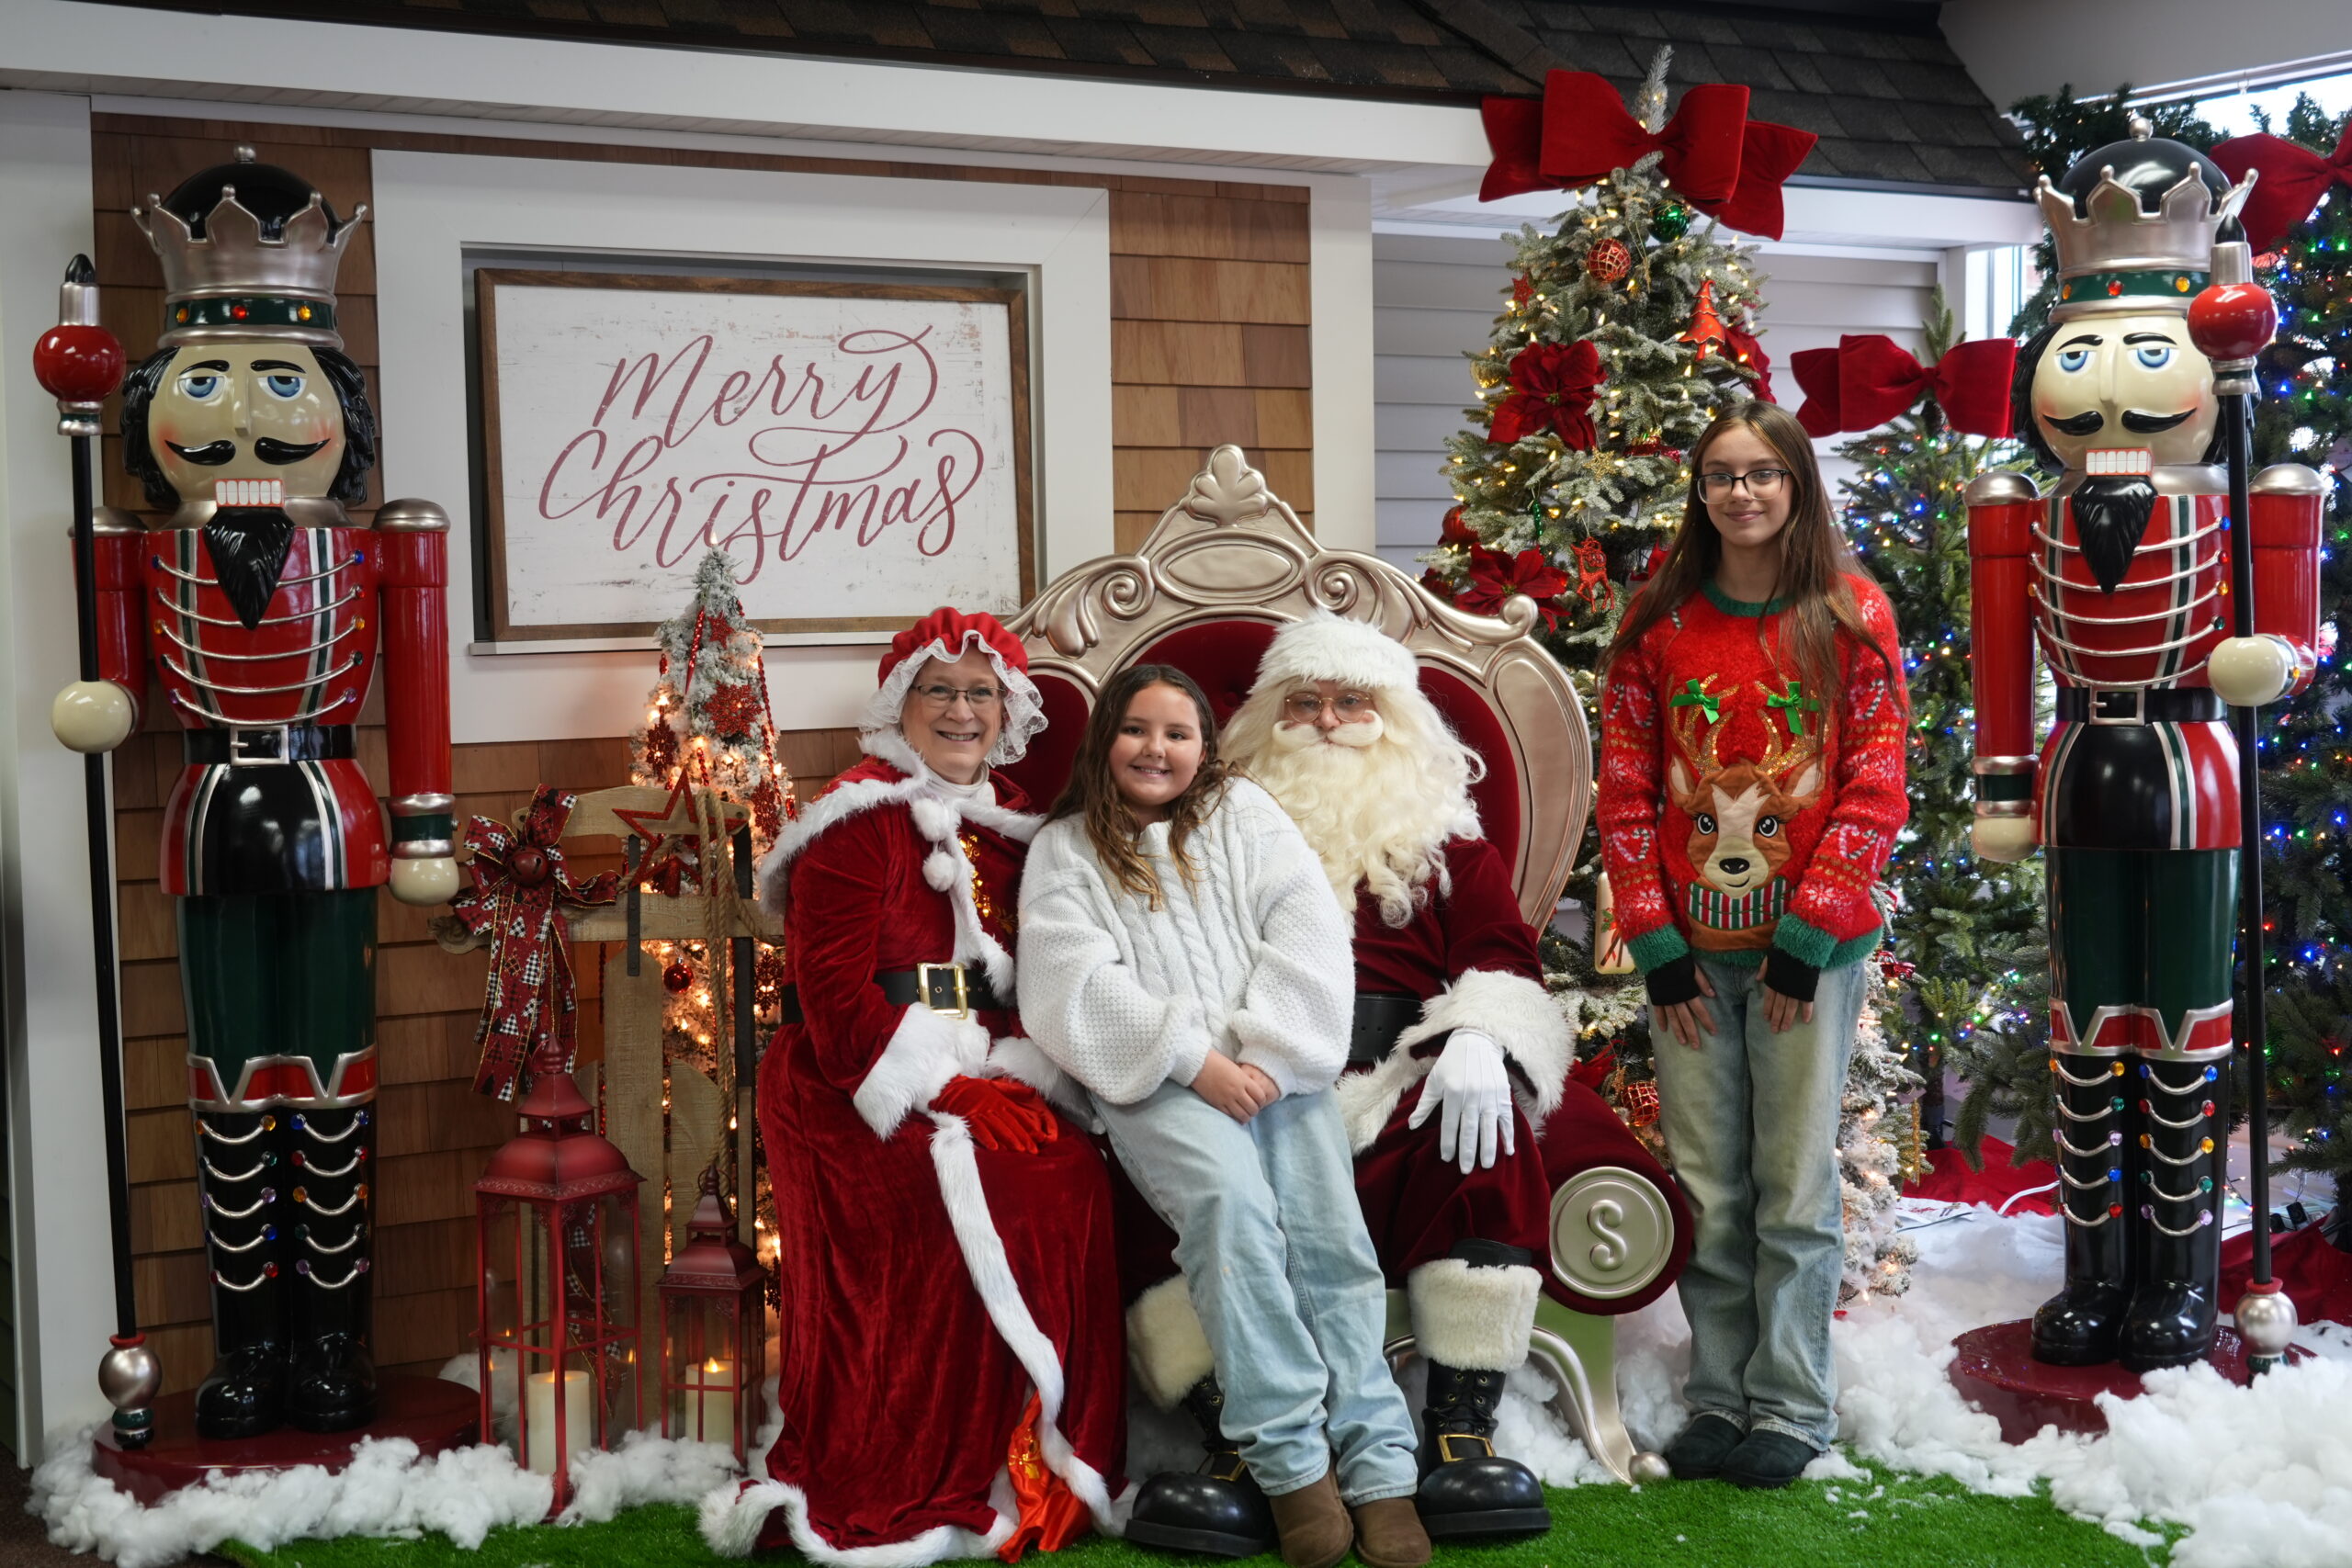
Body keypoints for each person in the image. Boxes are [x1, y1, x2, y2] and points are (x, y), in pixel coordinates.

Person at [1118, 613, 1690, 1543]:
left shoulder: (1450, 845)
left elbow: (1503, 961)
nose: (1327, 720)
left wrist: (1480, 1036)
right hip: (1250, 1078)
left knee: (1480, 1125)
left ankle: (1460, 1431)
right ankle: (1242, 1440)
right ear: (1264, 719)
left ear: (1397, 721)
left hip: (1396, 1080)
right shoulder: (1204, 839)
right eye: (1304, 702)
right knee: (1165, 1162)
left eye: (1353, 702)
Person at [53, 148, 454, 1438]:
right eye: (204, 380)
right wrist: (103, 698)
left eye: (282, 380)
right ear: (149, 406)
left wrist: (428, 820)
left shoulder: (388, 540)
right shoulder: (134, 544)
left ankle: (334, 1341)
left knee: (335, 1075)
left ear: (338, 404)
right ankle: (249, 1345)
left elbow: (420, 688)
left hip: (334, 813)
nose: (241, 413)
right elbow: (116, 682)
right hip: (211, 816)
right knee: (229, 1081)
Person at [706, 608, 1127, 1564]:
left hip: (984, 1062)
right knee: (958, 1196)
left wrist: (1009, 1071)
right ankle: (923, 1458)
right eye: (939, 690)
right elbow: (831, 999)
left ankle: (1031, 1455)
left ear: (1009, 711)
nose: (960, 711)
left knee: (1066, 1170)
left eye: (981, 693)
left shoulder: (1020, 830)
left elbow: (1035, 981)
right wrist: (945, 1088)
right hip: (848, 1080)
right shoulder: (855, 820)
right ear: (901, 703)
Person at [1017, 666, 1430, 1568]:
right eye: (1136, 729)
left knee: (1328, 1240)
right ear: (1105, 738)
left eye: (1177, 733)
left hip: (1277, 1069)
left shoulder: (1243, 814)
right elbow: (1068, 982)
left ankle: (1379, 1469)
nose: (1155, 749)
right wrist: (1193, 1061)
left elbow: (1308, 928)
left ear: (1203, 747)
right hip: (1158, 1080)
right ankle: (1294, 1469)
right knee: (1232, 1215)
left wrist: (1269, 1058)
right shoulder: (1065, 850)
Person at [1597, 400, 1909, 1488]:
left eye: (1762, 473)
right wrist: (1653, 940)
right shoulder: (1660, 621)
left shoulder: (1849, 615)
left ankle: (1789, 1404)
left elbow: (1875, 785)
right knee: (1706, 1186)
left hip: (1803, 963)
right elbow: (1625, 790)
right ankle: (1718, 1397)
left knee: (1790, 1182)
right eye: (1721, 475)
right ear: (1700, 492)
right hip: (1688, 961)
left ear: (1796, 485)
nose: (1741, 492)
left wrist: (1806, 935)